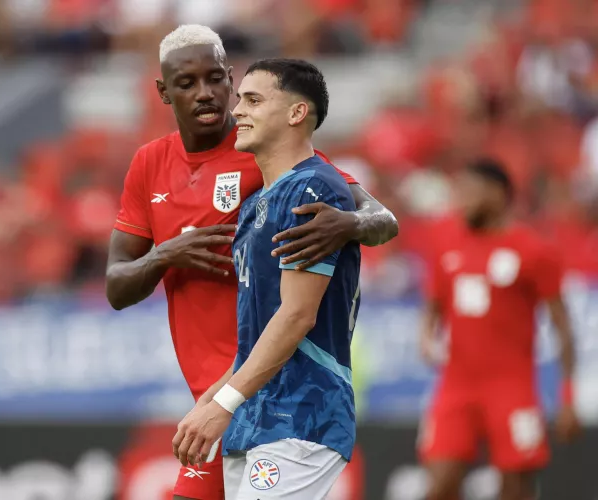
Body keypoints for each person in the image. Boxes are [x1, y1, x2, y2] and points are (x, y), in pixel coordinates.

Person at [106, 25, 397, 500]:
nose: (208, 94)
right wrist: (166, 254)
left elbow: (378, 216)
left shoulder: (267, 156)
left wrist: (346, 225)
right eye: (187, 83)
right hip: (218, 394)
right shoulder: (150, 164)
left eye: (217, 79)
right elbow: (116, 286)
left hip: (263, 388)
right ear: (163, 91)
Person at [171, 58, 361, 499]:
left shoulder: (313, 188)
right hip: (257, 418)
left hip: (303, 413)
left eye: (254, 100)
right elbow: (256, 335)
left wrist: (222, 403)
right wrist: (209, 402)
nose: (237, 111)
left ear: (297, 113)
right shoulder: (255, 205)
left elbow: (297, 316)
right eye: (240, 100)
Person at [418, 158, 582, 500]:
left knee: (516, 488)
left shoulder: (534, 250)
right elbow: (433, 304)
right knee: (440, 483)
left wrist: (567, 397)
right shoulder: (448, 241)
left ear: (497, 194)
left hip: (511, 386)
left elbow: (563, 326)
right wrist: (426, 337)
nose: (461, 200)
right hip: (456, 385)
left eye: (470, 191)